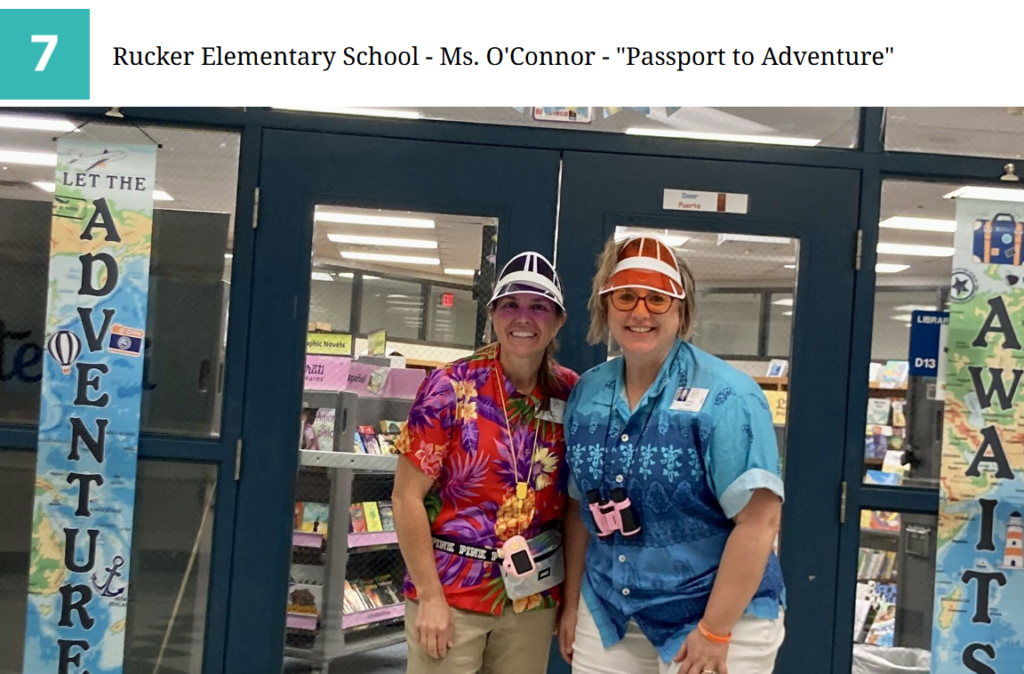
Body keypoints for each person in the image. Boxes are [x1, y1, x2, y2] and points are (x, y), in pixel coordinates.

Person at [558, 235, 786, 674]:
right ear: (606, 306)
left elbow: (760, 522)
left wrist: (715, 631)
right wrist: (571, 607)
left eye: (657, 299)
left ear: (681, 310)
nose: (640, 312)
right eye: (626, 297)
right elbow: (577, 509)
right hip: (611, 608)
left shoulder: (728, 397)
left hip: (717, 613)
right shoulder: (587, 393)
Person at [392, 251, 579, 674]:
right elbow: (406, 498)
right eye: (510, 304)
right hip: (450, 592)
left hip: (532, 597)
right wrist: (430, 596)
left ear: (558, 321)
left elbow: (574, 506)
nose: (523, 318)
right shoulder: (449, 387)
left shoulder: (571, 393)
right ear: (493, 314)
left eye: (539, 306)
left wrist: (570, 602)